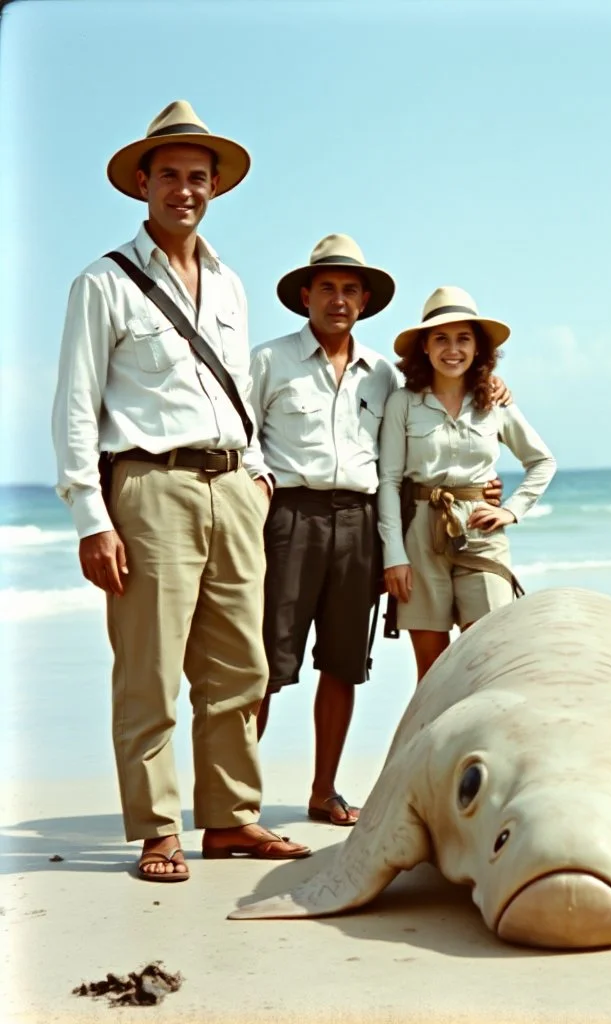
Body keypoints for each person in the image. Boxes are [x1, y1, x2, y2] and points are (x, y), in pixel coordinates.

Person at [51, 100, 311, 882]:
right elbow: (74, 404)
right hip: (149, 485)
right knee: (150, 669)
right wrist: (91, 517)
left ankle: (231, 819)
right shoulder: (103, 281)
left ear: (215, 187)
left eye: (199, 177)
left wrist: (260, 475)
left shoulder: (231, 284)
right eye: (170, 175)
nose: (185, 190)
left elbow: (237, 389)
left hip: (233, 485)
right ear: (142, 182)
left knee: (242, 667)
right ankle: (159, 828)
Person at [251, 245, 511, 826]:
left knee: (344, 663)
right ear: (305, 296)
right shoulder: (268, 361)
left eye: (350, 290)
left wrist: (493, 397)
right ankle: (238, 801)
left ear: (365, 301)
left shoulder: (387, 377)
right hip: (289, 518)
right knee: (265, 664)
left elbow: (425, 437)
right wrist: (258, 495)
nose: (338, 300)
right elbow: (243, 437)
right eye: (327, 288)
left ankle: (323, 793)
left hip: (361, 522)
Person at [378, 286, 557, 683]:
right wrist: (395, 555)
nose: (452, 349)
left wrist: (510, 509)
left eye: (463, 338)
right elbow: (388, 481)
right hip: (420, 537)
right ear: (424, 346)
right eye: (441, 338)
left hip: (481, 532)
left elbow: (542, 461)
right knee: (433, 672)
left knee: (488, 660)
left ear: (478, 348)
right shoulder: (403, 403)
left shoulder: (495, 402)